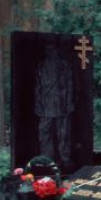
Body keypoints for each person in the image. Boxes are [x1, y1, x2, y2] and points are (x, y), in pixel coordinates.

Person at [35, 41, 75, 169]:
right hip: (46, 105)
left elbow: (70, 86)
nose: (50, 52)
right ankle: (47, 159)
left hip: (61, 104)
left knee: (63, 134)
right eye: (47, 49)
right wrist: (38, 104)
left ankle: (65, 158)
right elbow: (38, 87)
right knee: (44, 133)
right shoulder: (41, 66)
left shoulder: (64, 65)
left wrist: (69, 103)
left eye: (52, 49)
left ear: (57, 50)